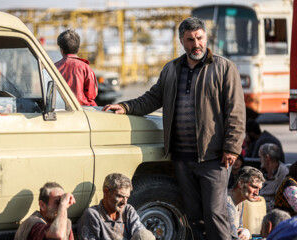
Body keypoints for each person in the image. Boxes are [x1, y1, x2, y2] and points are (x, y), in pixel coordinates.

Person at [103, 17, 245, 240]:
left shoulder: (223, 68)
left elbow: (236, 111)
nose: (196, 44)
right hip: (182, 158)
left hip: (214, 158)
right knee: (194, 215)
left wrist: (232, 147)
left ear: (205, 37)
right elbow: (152, 98)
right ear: (182, 41)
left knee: (215, 214)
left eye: (199, 38)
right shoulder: (171, 69)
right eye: (190, 39)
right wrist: (126, 106)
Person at [78, 173, 154, 240]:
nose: (124, 202)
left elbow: (140, 231)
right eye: (120, 196)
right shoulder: (93, 215)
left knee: (145, 235)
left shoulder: (128, 210)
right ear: (106, 191)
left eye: (127, 197)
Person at [55, 29, 98, 106]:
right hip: (83, 109)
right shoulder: (85, 67)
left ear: (61, 50)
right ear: (78, 49)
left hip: (59, 108)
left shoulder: (54, 68)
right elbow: (92, 94)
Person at [227, 166, 265, 240]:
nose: (257, 193)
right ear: (241, 183)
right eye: (254, 187)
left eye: (259, 189)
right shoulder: (227, 203)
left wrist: (244, 231)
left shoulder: (241, 201)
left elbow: (239, 228)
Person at [259, 143, 289, 212]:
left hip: (270, 211)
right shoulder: (263, 171)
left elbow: (277, 201)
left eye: (260, 157)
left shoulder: (283, 173)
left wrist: (259, 206)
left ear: (267, 158)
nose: (259, 160)